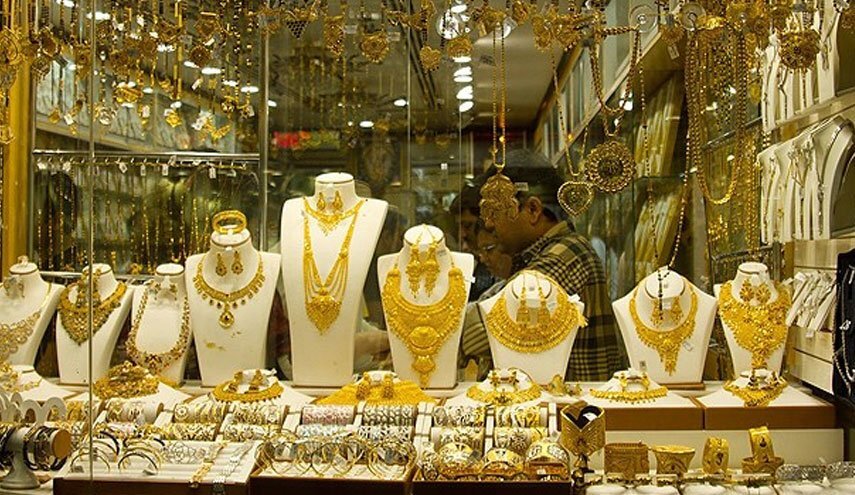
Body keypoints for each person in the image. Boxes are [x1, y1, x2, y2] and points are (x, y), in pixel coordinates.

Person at [461, 148, 627, 381]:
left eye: (495, 211)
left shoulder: (564, 256)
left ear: (533, 210)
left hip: (570, 400)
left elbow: (475, 332)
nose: (488, 223)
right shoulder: (546, 254)